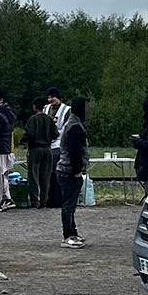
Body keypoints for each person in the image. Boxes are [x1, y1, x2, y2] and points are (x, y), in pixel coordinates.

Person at [56, 95, 91, 248]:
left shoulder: (74, 123)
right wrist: (77, 170)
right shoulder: (75, 126)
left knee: (70, 204)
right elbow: (74, 151)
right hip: (68, 170)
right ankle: (67, 235)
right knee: (69, 205)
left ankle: (73, 232)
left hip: (66, 170)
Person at [23, 96, 57, 209]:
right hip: (48, 149)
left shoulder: (33, 119)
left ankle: (34, 201)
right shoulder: (49, 119)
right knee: (45, 176)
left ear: (35, 107)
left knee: (33, 175)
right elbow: (55, 134)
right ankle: (44, 201)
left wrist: (23, 140)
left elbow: (30, 134)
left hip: (35, 149)